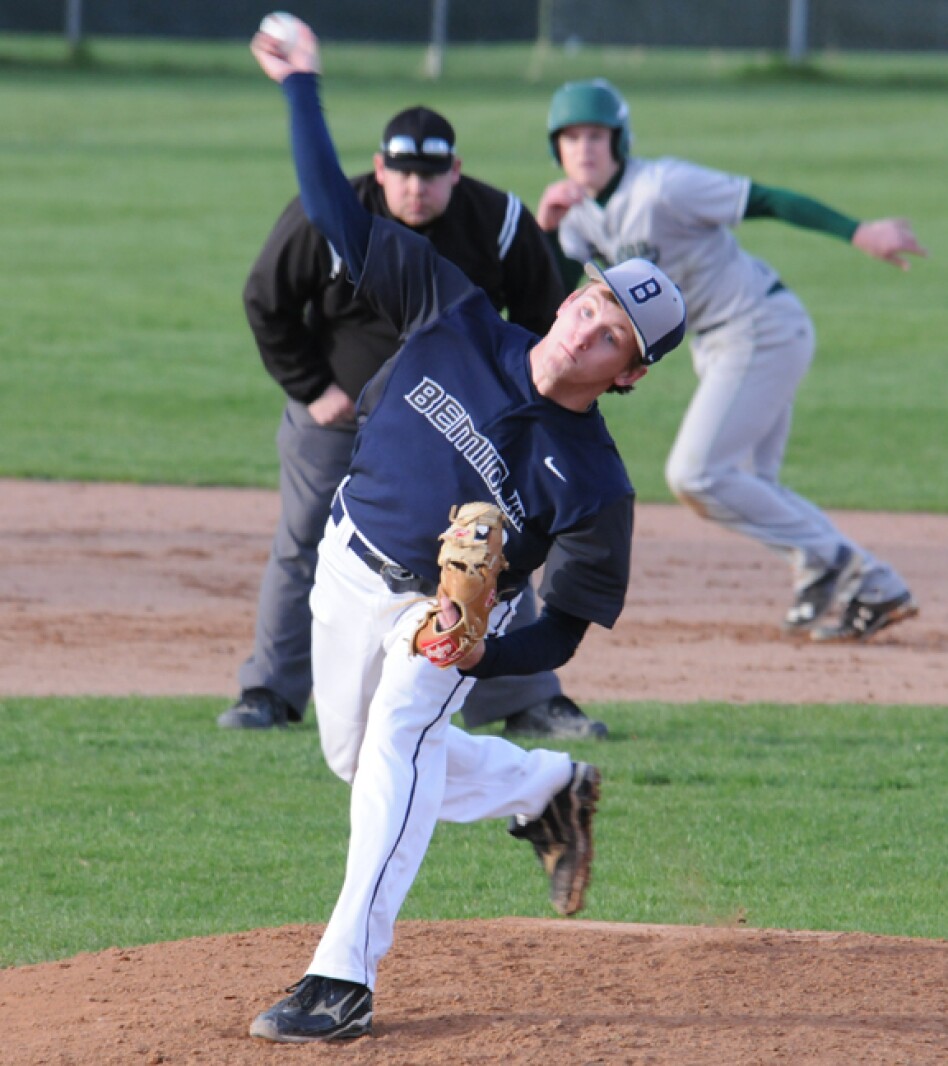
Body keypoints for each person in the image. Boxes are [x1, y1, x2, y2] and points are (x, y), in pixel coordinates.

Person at [245, 21, 686, 1044]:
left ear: (627, 373)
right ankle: (546, 788)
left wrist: (484, 643)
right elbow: (330, 214)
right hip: (345, 566)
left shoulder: (594, 484)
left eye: (615, 332)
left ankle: (341, 976)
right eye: (592, 301)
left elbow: (566, 627)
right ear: (572, 294)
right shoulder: (457, 311)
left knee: (404, 730)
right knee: (362, 763)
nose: (588, 324)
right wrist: (304, 86)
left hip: (435, 615)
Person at [218, 98, 608, 740]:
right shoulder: (336, 215)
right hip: (341, 411)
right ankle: (270, 691)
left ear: (455, 171)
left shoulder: (500, 221)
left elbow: (545, 318)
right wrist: (312, 386)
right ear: (379, 168)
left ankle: (527, 699)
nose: (415, 188)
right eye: (401, 173)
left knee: (494, 551)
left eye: (430, 175)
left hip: (455, 421)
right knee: (305, 540)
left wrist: (514, 411)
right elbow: (266, 298)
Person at [538, 78, 927, 642]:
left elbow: (763, 198)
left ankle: (861, 574)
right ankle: (829, 571)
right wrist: (547, 230)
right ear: (557, 150)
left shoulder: (665, 186)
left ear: (619, 140)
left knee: (695, 473)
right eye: (571, 138)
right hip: (720, 345)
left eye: (596, 135)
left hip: (760, 327)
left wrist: (858, 231)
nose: (584, 149)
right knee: (751, 482)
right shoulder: (575, 216)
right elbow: (556, 297)